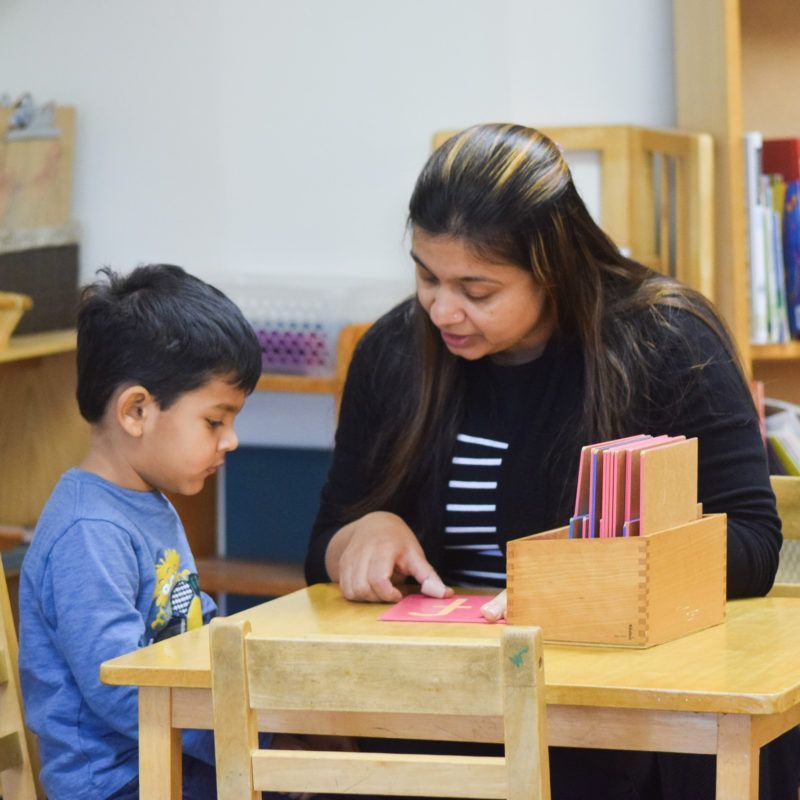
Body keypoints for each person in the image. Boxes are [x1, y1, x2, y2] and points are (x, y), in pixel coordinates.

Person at [305, 124, 797, 799]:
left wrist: (597, 584)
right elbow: (325, 541)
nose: (441, 308)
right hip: (439, 715)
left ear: (554, 269)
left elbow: (751, 544)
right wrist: (357, 539)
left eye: (477, 291)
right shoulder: (394, 352)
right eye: (426, 276)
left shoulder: (665, 341)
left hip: (614, 717)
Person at [19, 264, 262, 800]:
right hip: (118, 782)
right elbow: (122, 688)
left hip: (177, 758)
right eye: (215, 421)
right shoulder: (88, 531)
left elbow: (189, 623)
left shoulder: (146, 501)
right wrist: (237, 734)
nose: (231, 441)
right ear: (136, 411)